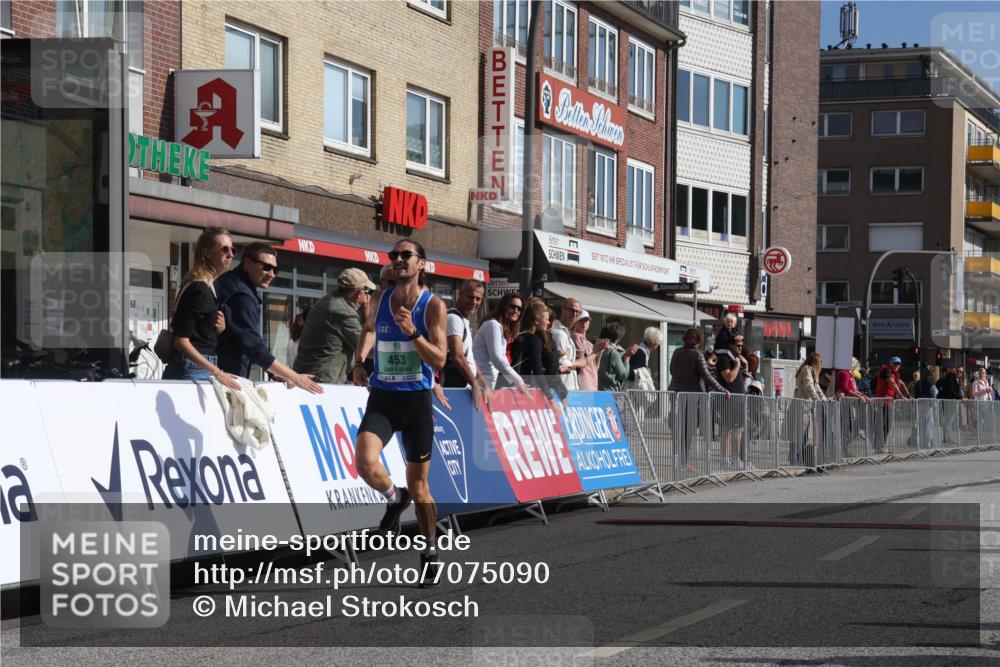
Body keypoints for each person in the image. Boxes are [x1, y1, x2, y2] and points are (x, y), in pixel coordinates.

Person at [351, 240, 448, 588]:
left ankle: (429, 552)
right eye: (394, 256)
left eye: (405, 255)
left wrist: (413, 332)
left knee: (421, 488)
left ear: (422, 263)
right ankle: (395, 497)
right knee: (364, 461)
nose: (398, 260)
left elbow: (439, 360)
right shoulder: (378, 300)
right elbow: (370, 332)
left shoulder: (433, 306)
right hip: (383, 398)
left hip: (416, 403)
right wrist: (360, 362)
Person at [214, 243, 323, 394]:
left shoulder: (231, 282)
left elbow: (245, 341)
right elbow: (253, 345)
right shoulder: (242, 296)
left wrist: (277, 373)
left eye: (275, 270)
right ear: (247, 263)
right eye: (266, 267)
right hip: (224, 379)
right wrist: (294, 377)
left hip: (222, 375)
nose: (272, 274)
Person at [162, 227, 241, 391]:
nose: (231, 254)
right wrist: (218, 372)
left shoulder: (206, 286)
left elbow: (197, 332)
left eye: (232, 249)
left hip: (198, 366)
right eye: (224, 249)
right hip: (192, 368)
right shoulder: (199, 288)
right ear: (207, 253)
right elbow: (181, 341)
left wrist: (220, 328)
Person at [292, 268, 374, 384]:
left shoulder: (330, 300)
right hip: (322, 379)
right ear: (358, 292)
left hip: (313, 374)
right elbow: (368, 348)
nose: (367, 295)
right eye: (366, 290)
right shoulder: (343, 311)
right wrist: (367, 314)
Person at [668, 328, 729, 473]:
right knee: (688, 430)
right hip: (693, 395)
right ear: (699, 340)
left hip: (675, 393)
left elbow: (672, 370)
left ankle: (679, 460)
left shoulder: (677, 352)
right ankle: (684, 462)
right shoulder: (697, 354)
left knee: (680, 428)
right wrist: (723, 389)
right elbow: (707, 376)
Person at [440, 279, 491, 410]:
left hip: (463, 389)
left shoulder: (463, 320)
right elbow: (457, 356)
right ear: (459, 294)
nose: (474, 302)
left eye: (478, 299)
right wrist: (474, 383)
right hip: (455, 391)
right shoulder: (454, 318)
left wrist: (483, 384)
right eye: (470, 297)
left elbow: (469, 358)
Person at [508, 302, 566, 400]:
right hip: (523, 390)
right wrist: (550, 398)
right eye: (546, 319)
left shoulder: (516, 335)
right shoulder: (534, 340)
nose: (548, 323)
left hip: (507, 386)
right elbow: (537, 370)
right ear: (536, 321)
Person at [472, 292, 528, 392]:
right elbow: (497, 358)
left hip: (486, 382)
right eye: (512, 307)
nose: (516, 311)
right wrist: (518, 381)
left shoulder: (499, 326)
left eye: (519, 309)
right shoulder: (493, 324)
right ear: (504, 306)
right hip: (479, 381)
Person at [715, 334, 749, 468]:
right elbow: (729, 378)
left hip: (739, 398)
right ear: (730, 345)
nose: (740, 348)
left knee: (739, 430)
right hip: (728, 399)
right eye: (738, 345)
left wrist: (744, 364)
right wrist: (738, 365)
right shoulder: (724, 358)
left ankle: (735, 458)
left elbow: (744, 375)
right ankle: (725, 459)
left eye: (741, 345)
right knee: (727, 430)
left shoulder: (736, 358)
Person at [791, 352, 829, 466]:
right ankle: (794, 459)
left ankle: (798, 458)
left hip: (806, 406)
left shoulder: (811, 371)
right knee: (798, 434)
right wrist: (817, 399)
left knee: (803, 434)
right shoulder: (807, 369)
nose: (821, 364)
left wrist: (824, 398)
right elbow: (809, 386)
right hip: (802, 406)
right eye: (820, 361)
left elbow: (816, 387)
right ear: (815, 362)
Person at [550, 298, 583, 391]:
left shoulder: (566, 332)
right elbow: (560, 363)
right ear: (563, 310)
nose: (575, 314)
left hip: (568, 387)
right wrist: (578, 363)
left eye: (578, 312)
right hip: (562, 388)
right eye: (572, 310)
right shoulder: (559, 333)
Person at [570, 311, 607, 392]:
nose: (584, 323)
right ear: (575, 322)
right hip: (583, 382)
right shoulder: (576, 336)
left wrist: (600, 350)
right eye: (581, 320)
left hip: (592, 382)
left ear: (589, 322)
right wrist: (597, 351)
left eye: (586, 320)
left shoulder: (589, 343)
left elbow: (596, 366)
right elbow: (581, 362)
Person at [597, 322, 636, 391]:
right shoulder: (613, 353)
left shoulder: (596, 350)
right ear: (618, 338)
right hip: (610, 392)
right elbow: (623, 375)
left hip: (597, 390)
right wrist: (627, 357)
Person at [627, 327, 663, 392]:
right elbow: (631, 373)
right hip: (633, 390)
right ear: (654, 343)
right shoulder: (641, 353)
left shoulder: (640, 351)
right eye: (658, 344)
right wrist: (645, 372)